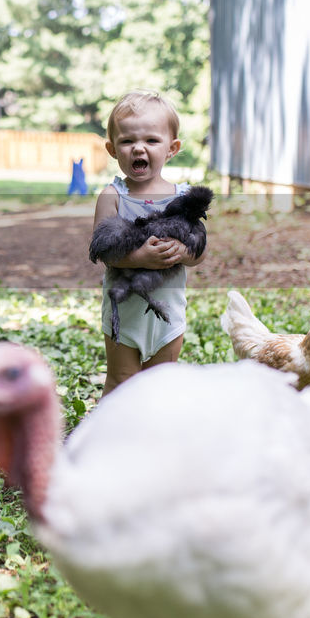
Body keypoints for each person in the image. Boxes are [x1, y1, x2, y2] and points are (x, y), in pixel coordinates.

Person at [93, 89, 204, 395]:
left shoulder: (184, 198)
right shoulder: (113, 196)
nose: (138, 148)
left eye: (151, 141)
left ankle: (156, 440)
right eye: (128, 141)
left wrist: (183, 250)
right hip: (125, 314)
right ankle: (111, 440)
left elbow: (198, 252)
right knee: (121, 382)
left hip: (168, 313)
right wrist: (139, 256)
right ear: (113, 149)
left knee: (160, 386)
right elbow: (104, 251)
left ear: (172, 147)